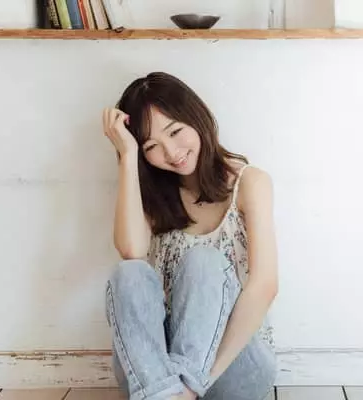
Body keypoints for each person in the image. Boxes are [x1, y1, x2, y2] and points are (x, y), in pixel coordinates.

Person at [102, 72, 278, 400]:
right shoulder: (156, 194)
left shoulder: (250, 183)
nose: (171, 152)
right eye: (151, 146)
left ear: (197, 118)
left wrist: (193, 385)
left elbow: (264, 287)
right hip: (156, 373)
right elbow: (131, 250)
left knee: (203, 262)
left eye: (175, 131)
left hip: (231, 366)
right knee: (128, 272)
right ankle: (164, 394)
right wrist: (127, 155)